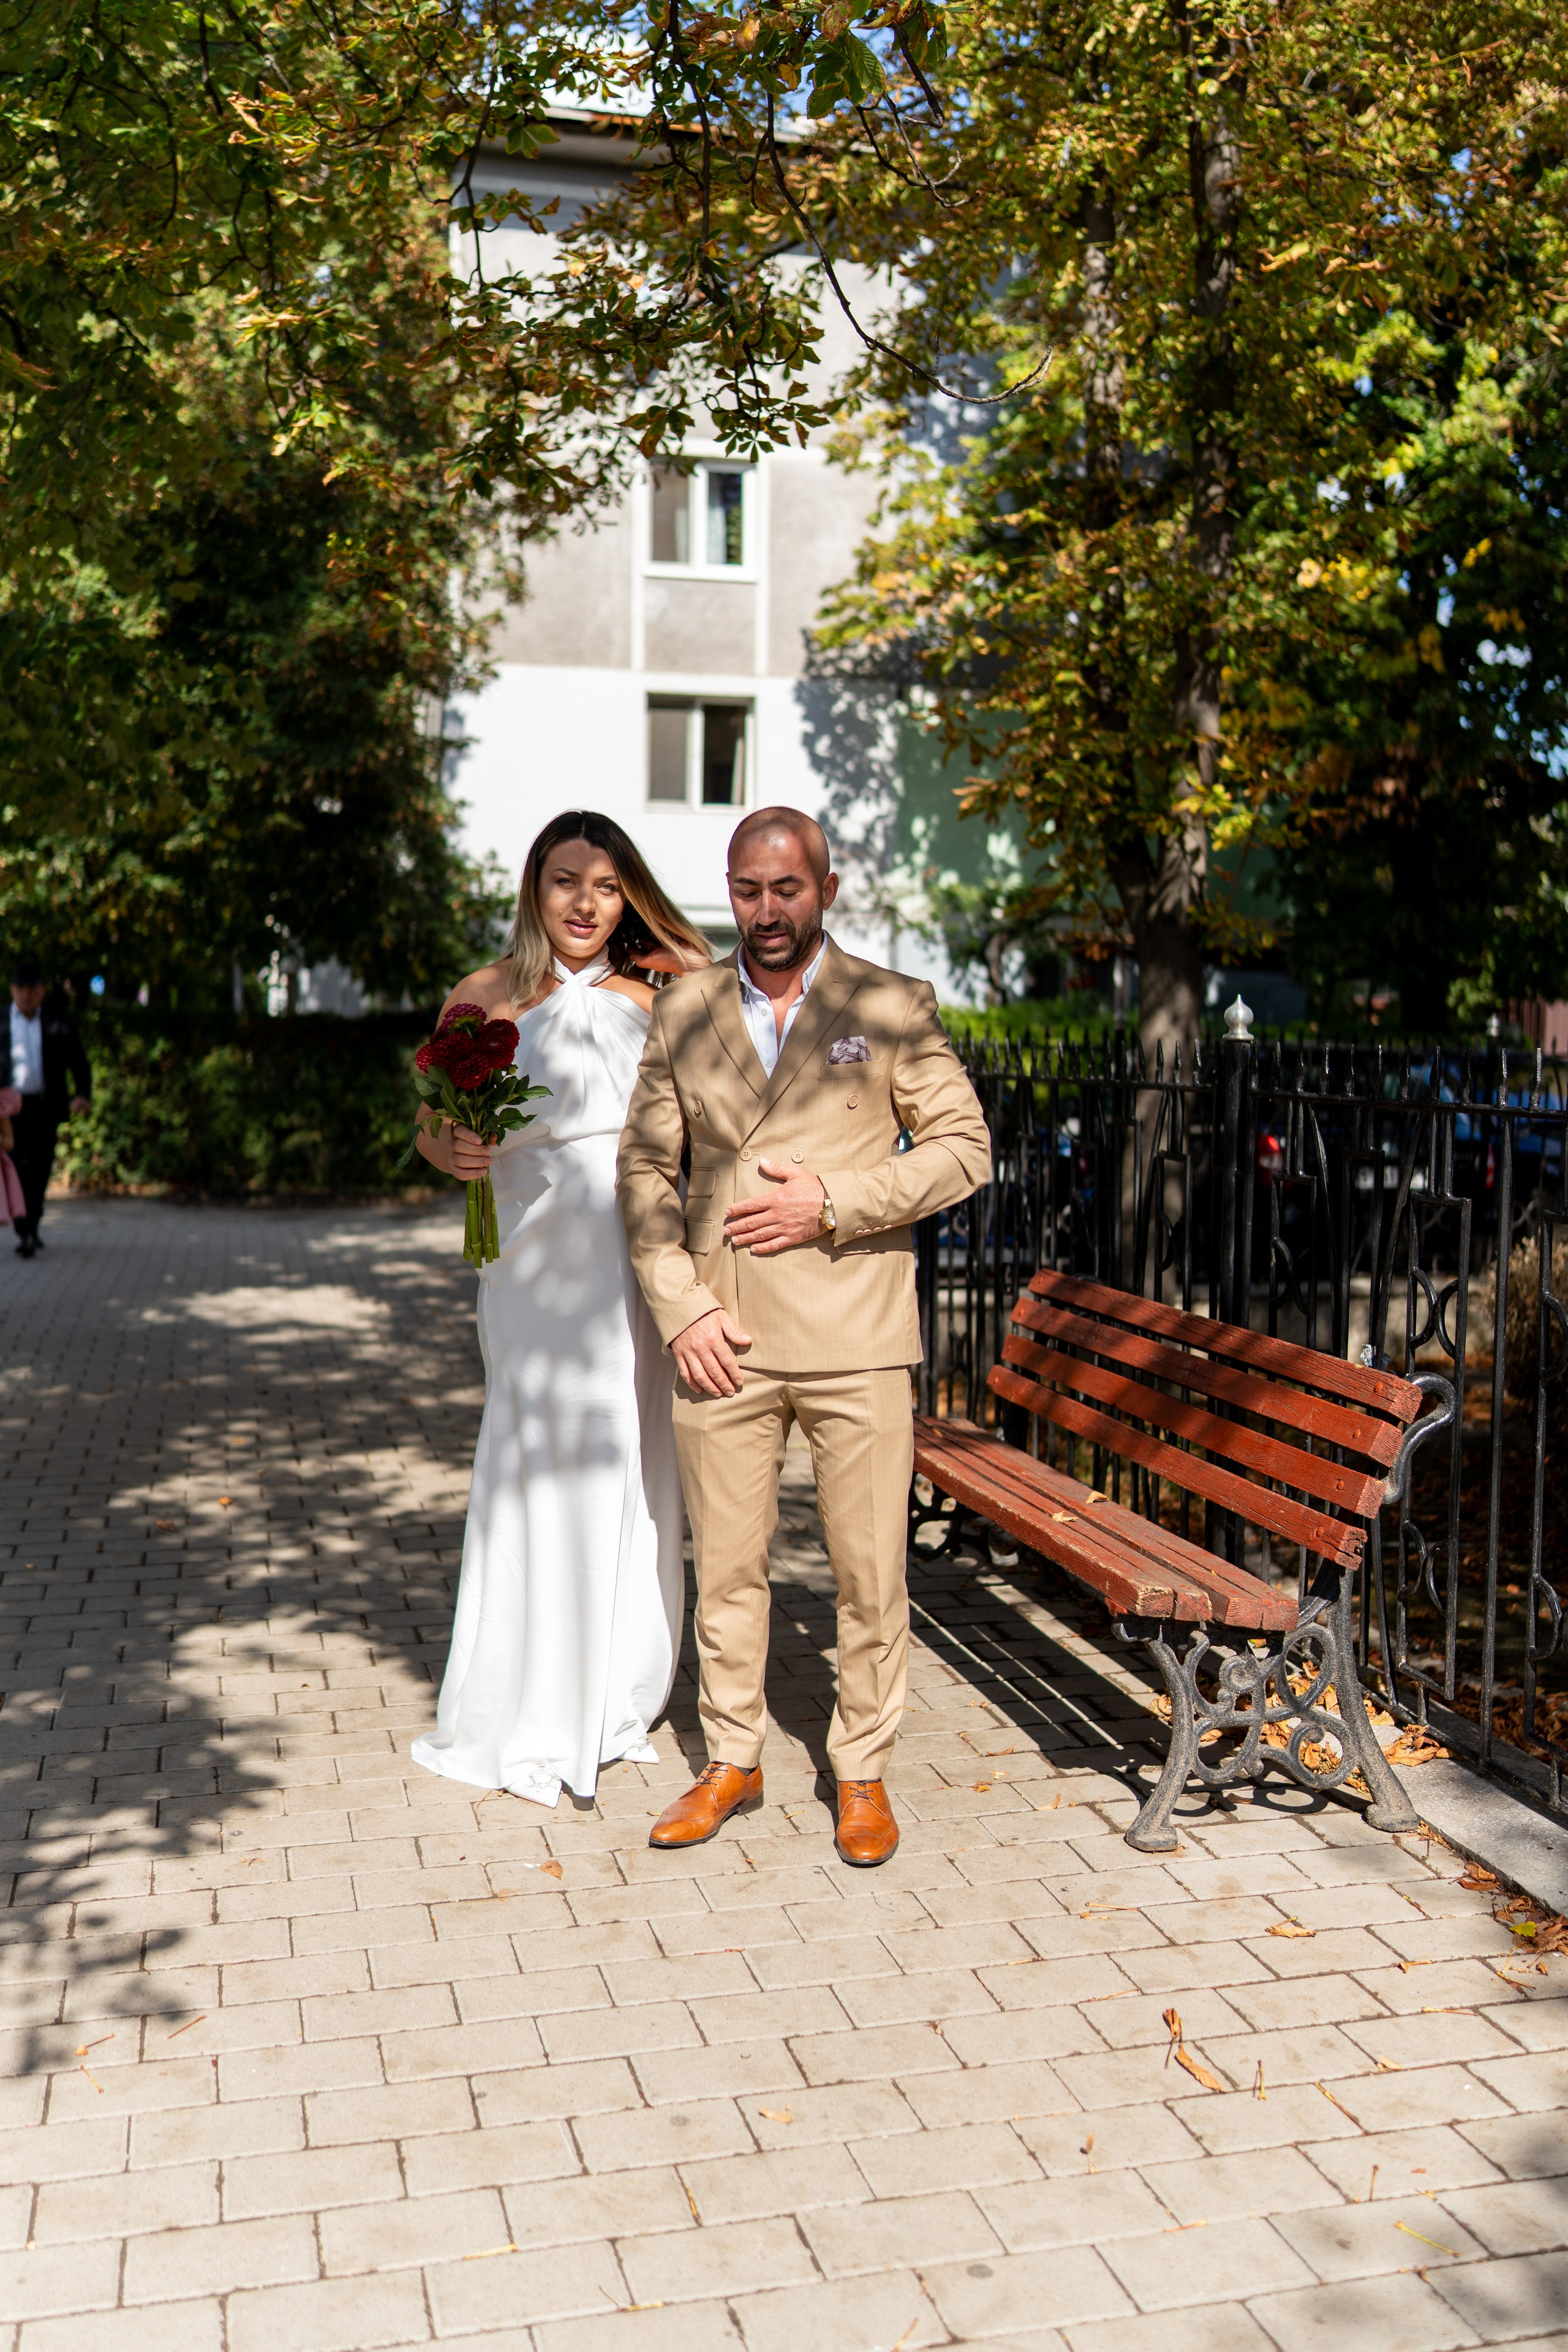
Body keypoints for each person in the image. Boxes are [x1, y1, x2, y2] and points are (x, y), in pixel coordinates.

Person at [617, 807, 992, 1867]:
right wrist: (679, 1304)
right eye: (747, 889)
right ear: (727, 890)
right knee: (728, 1567)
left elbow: (964, 1151)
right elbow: (646, 1170)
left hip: (858, 1334)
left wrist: (833, 1198)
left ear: (826, 888)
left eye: (787, 888)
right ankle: (732, 1758)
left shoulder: (886, 1003)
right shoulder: (684, 1007)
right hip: (720, 1336)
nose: (766, 910)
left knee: (871, 1572)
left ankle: (862, 1770)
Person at [409, 813, 710, 1807]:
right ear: (534, 887)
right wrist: (450, 1151)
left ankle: (618, 1680)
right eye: (565, 881)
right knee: (530, 1451)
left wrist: (657, 944)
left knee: (629, 1450)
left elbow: (717, 986)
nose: (585, 904)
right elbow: (432, 1123)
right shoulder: (486, 994)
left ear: (630, 896)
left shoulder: (659, 985)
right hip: (525, 1258)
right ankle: (527, 1689)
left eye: (609, 886)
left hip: (630, 1257)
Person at [2, 962, 91, 1259]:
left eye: (33, 989)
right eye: (21, 988)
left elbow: (78, 1061)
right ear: (13, 990)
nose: (27, 994)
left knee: (40, 1168)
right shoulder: (1, 1021)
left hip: (44, 1107)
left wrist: (82, 1094)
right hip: (9, 1112)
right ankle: (24, 1228)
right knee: (15, 1167)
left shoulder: (57, 1021)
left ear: (41, 992)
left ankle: (32, 1224)